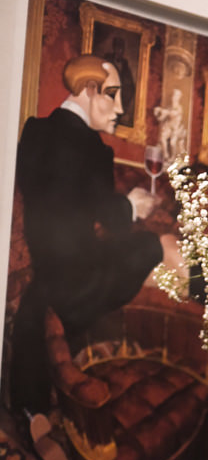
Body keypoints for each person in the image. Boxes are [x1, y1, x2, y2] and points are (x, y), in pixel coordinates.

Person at [9, 53, 186, 418]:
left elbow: (59, 205)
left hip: (52, 277)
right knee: (162, 245)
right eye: (113, 95)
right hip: (77, 283)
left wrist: (123, 209)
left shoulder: (34, 131)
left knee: (158, 263)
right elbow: (101, 217)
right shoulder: (89, 147)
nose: (119, 108)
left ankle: (206, 305)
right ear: (89, 89)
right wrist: (130, 207)